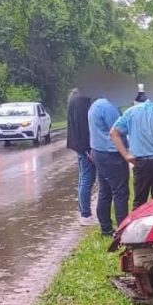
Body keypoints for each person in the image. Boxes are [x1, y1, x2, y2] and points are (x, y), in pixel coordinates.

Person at [88, 97, 128, 236]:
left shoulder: (96, 105)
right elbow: (119, 130)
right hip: (111, 154)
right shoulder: (109, 107)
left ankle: (106, 228)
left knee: (105, 191)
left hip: (98, 152)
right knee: (120, 192)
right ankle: (123, 230)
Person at [66, 88, 95, 226]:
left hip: (79, 145)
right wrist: (87, 149)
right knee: (87, 179)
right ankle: (85, 214)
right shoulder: (82, 100)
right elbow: (83, 125)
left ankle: (83, 210)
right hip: (84, 146)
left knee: (83, 177)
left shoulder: (75, 96)